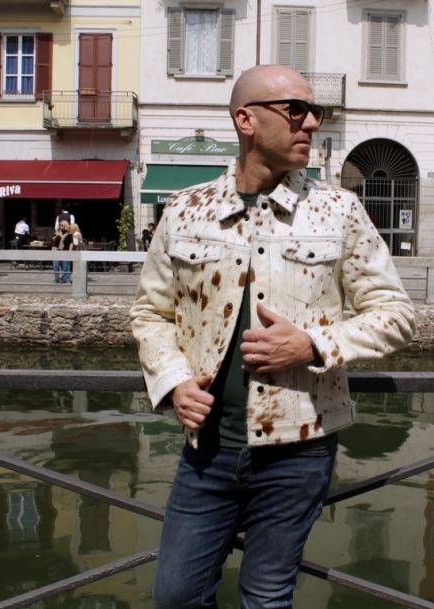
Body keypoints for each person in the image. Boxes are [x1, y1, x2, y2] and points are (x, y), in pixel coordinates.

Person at [130, 65, 416, 609]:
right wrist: (172, 381)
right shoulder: (185, 209)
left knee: (266, 597)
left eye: (315, 112)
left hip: (300, 449)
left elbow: (396, 315)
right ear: (246, 120)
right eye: (296, 110)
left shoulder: (338, 210)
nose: (311, 123)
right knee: (175, 596)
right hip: (206, 449)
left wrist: (313, 345)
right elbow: (150, 313)